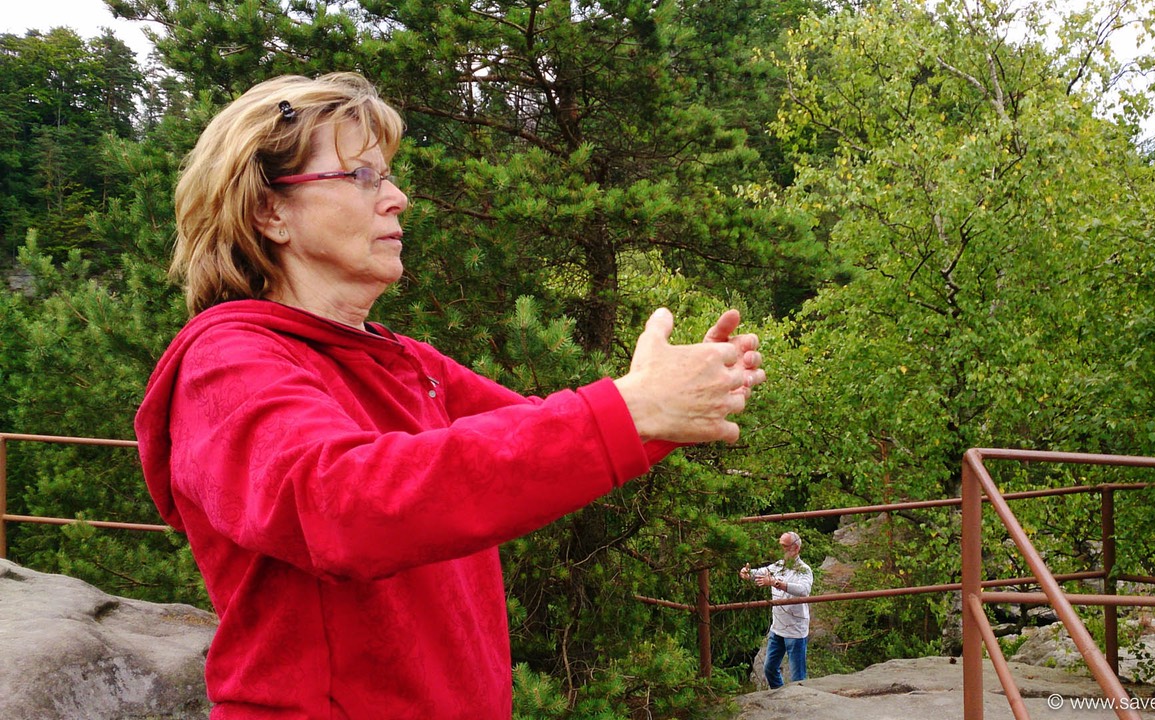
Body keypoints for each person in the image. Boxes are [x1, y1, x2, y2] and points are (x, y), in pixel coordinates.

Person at [133, 72, 766, 720]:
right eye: (361, 177)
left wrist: (673, 399)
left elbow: (536, 447)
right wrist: (632, 408)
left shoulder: (402, 362)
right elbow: (339, 505)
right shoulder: (227, 364)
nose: (398, 198)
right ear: (270, 211)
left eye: (389, 175)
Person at [740, 531, 813, 689]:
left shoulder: (804, 570)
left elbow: (803, 590)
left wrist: (776, 583)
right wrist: (747, 573)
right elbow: (760, 573)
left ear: (795, 548)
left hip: (795, 630)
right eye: (780, 546)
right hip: (778, 628)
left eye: (784, 546)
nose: (781, 550)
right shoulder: (778, 566)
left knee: (797, 677)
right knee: (769, 669)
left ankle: (799, 705)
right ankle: (780, 696)